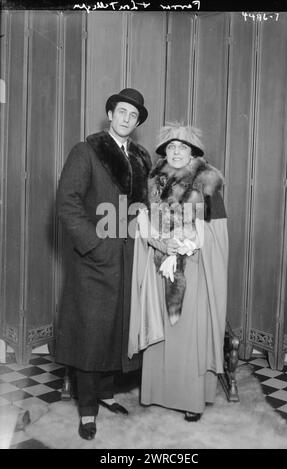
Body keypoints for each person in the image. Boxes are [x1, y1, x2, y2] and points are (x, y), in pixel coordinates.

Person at [55, 88, 151, 440]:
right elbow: (67, 202)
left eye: (133, 115)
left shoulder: (140, 158)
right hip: (95, 259)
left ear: (137, 122)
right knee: (91, 331)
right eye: (122, 111)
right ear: (110, 114)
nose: (127, 119)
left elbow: (142, 206)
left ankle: (108, 394)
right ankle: (86, 410)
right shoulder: (87, 150)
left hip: (129, 256)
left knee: (117, 327)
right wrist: (93, 244)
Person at [129, 123, 228, 422]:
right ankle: (156, 393)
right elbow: (144, 219)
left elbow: (216, 231)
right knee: (162, 327)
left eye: (182, 147)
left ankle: (190, 399)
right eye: (170, 147)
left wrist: (186, 244)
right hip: (161, 262)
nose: (175, 152)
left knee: (187, 332)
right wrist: (157, 239)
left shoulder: (207, 182)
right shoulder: (154, 181)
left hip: (193, 269)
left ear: (193, 153)